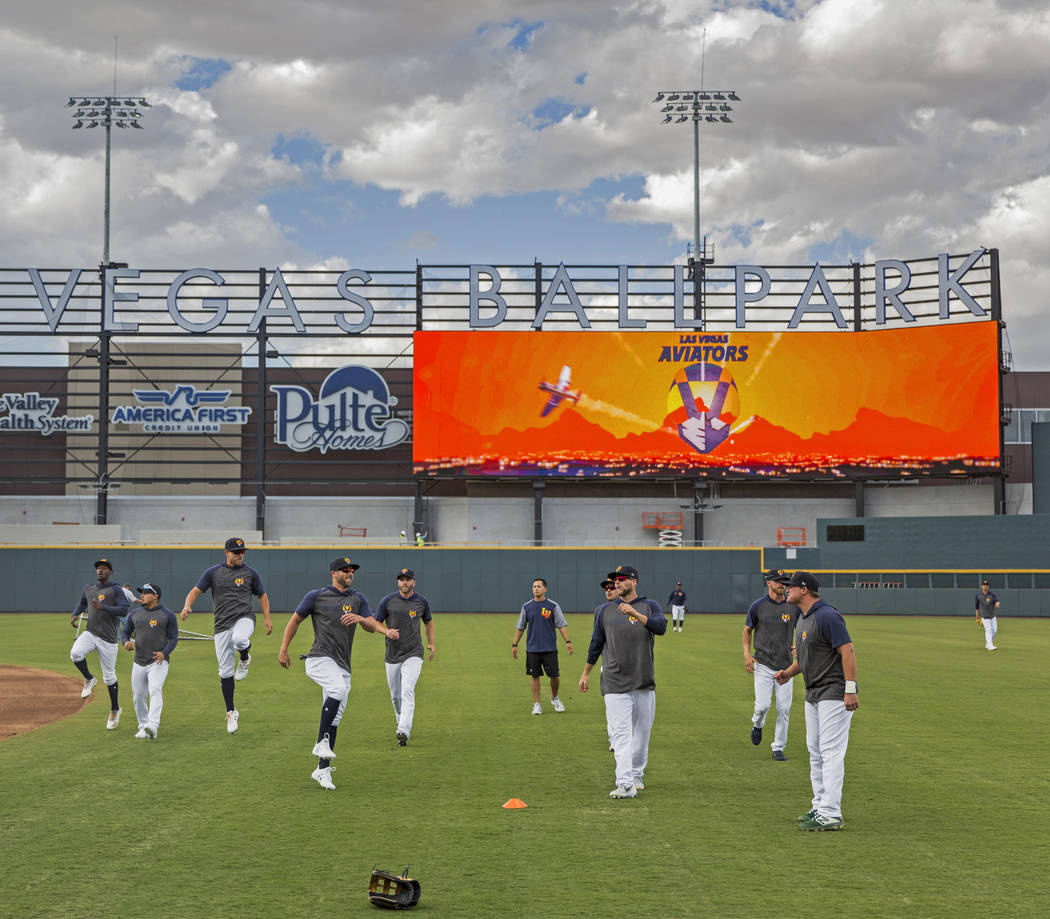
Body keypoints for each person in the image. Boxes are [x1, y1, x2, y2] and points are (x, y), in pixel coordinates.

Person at [278, 556, 398, 790]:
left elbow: (372, 626)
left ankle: (322, 770)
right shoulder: (316, 596)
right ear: (333, 573)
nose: (350, 572)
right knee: (337, 689)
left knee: (336, 717)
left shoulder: (357, 598)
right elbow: (294, 621)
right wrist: (283, 649)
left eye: (352, 569)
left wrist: (361, 618)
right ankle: (320, 742)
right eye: (345, 569)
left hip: (342, 665)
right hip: (319, 658)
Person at [774, 571, 859, 831]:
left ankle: (832, 812)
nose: (786, 590)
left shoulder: (826, 615)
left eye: (791, 587)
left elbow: (848, 650)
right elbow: (808, 658)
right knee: (815, 749)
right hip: (813, 693)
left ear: (805, 590)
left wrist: (850, 689)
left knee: (831, 750)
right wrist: (789, 672)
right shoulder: (804, 619)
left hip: (834, 692)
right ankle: (821, 804)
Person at [579, 564, 666, 798]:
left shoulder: (650, 606)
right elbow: (596, 643)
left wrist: (635, 614)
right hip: (614, 681)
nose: (617, 583)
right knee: (620, 732)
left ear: (634, 581)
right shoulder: (604, 611)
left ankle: (636, 774)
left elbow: (661, 628)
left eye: (622, 579)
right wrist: (586, 673)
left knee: (642, 733)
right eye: (615, 579)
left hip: (643, 681)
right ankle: (625, 782)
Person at [180, 536, 272, 734]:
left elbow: (262, 595)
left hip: (244, 617)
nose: (240, 555)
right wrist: (188, 605)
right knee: (225, 672)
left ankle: (245, 657)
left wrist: (267, 618)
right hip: (221, 624)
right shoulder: (214, 572)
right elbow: (195, 591)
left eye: (242, 552)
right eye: (236, 552)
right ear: (226, 552)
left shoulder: (250, 573)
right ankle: (231, 711)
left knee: (239, 639)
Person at [743, 568, 800, 761]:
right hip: (763, 663)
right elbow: (747, 631)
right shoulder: (757, 606)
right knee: (763, 706)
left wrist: (799, 647)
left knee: (784, 708)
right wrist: (746, 655)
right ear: (768, 583)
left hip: (786, 666)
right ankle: (757, 725)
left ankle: (778, 747)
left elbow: (804, 629)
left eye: (785, 582)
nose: (782, 585)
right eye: (778, 581)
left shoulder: (794, 606)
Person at [374, 567, 435, 746]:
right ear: (398, 582)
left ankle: (404, 730)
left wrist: (431, 643)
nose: (405, 582)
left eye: (408, 579)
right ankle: (401, 722)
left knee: (408, 689)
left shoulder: (421, 602)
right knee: (395, 696)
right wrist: (386, 631)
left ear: (413, 582)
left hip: (414, 652)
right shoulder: (388, 601)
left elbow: (429, 622)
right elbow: (375, 622)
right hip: (392, 654)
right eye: (401, 579)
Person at [69, 557, 128, 730]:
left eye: (104, 568)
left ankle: (115, 709)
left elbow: (124, 609)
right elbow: (82, 603)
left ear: (110, 572)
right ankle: (89, 678)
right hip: (91, 632)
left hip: (108, 639)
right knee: (75, 653)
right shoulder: (88, 588)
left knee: (109, 678)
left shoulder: (115, 589)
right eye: (98, 568)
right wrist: (75, 614)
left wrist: (103, 607)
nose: (100, 570)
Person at [121, 583, 179, 740]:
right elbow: (125, 632)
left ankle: (153, 726)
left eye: (145, 593)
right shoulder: (134, 614)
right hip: (139, 661)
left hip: (158, 661)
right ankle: (143, 726)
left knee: (155, 690)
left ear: (155, 596)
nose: (141, 595)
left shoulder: (167, 615)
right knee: (138, 696)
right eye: (141, 592)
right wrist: (125, 642)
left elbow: (174, 639)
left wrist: (164, 653)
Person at [513, 577, 573, 714]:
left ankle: (555, 698)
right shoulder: (526, 607)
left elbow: (561, 625)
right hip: (533, 649)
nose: (536, 589)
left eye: (539, 586)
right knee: (534, 677)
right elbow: (520, 627)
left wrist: (568, 642)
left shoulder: (553, 606)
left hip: (550, 648)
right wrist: (514, 644)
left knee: (554, 676)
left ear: (545, 589)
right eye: (534, 586)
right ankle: (537, 704)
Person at [975, 579, 1000, 650]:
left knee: (994, 631)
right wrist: (977, 617)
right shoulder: (978, 595)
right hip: (984, 616)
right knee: (988, 630)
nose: (985, 586)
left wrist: (997, 603)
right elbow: (976, 607)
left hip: (992, 616)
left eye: (986, 585)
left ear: (988, 586)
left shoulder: (992, 594)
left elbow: (996, 601)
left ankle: (988, 643)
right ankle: (990, 646)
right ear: (981, 586)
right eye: (984, 585)